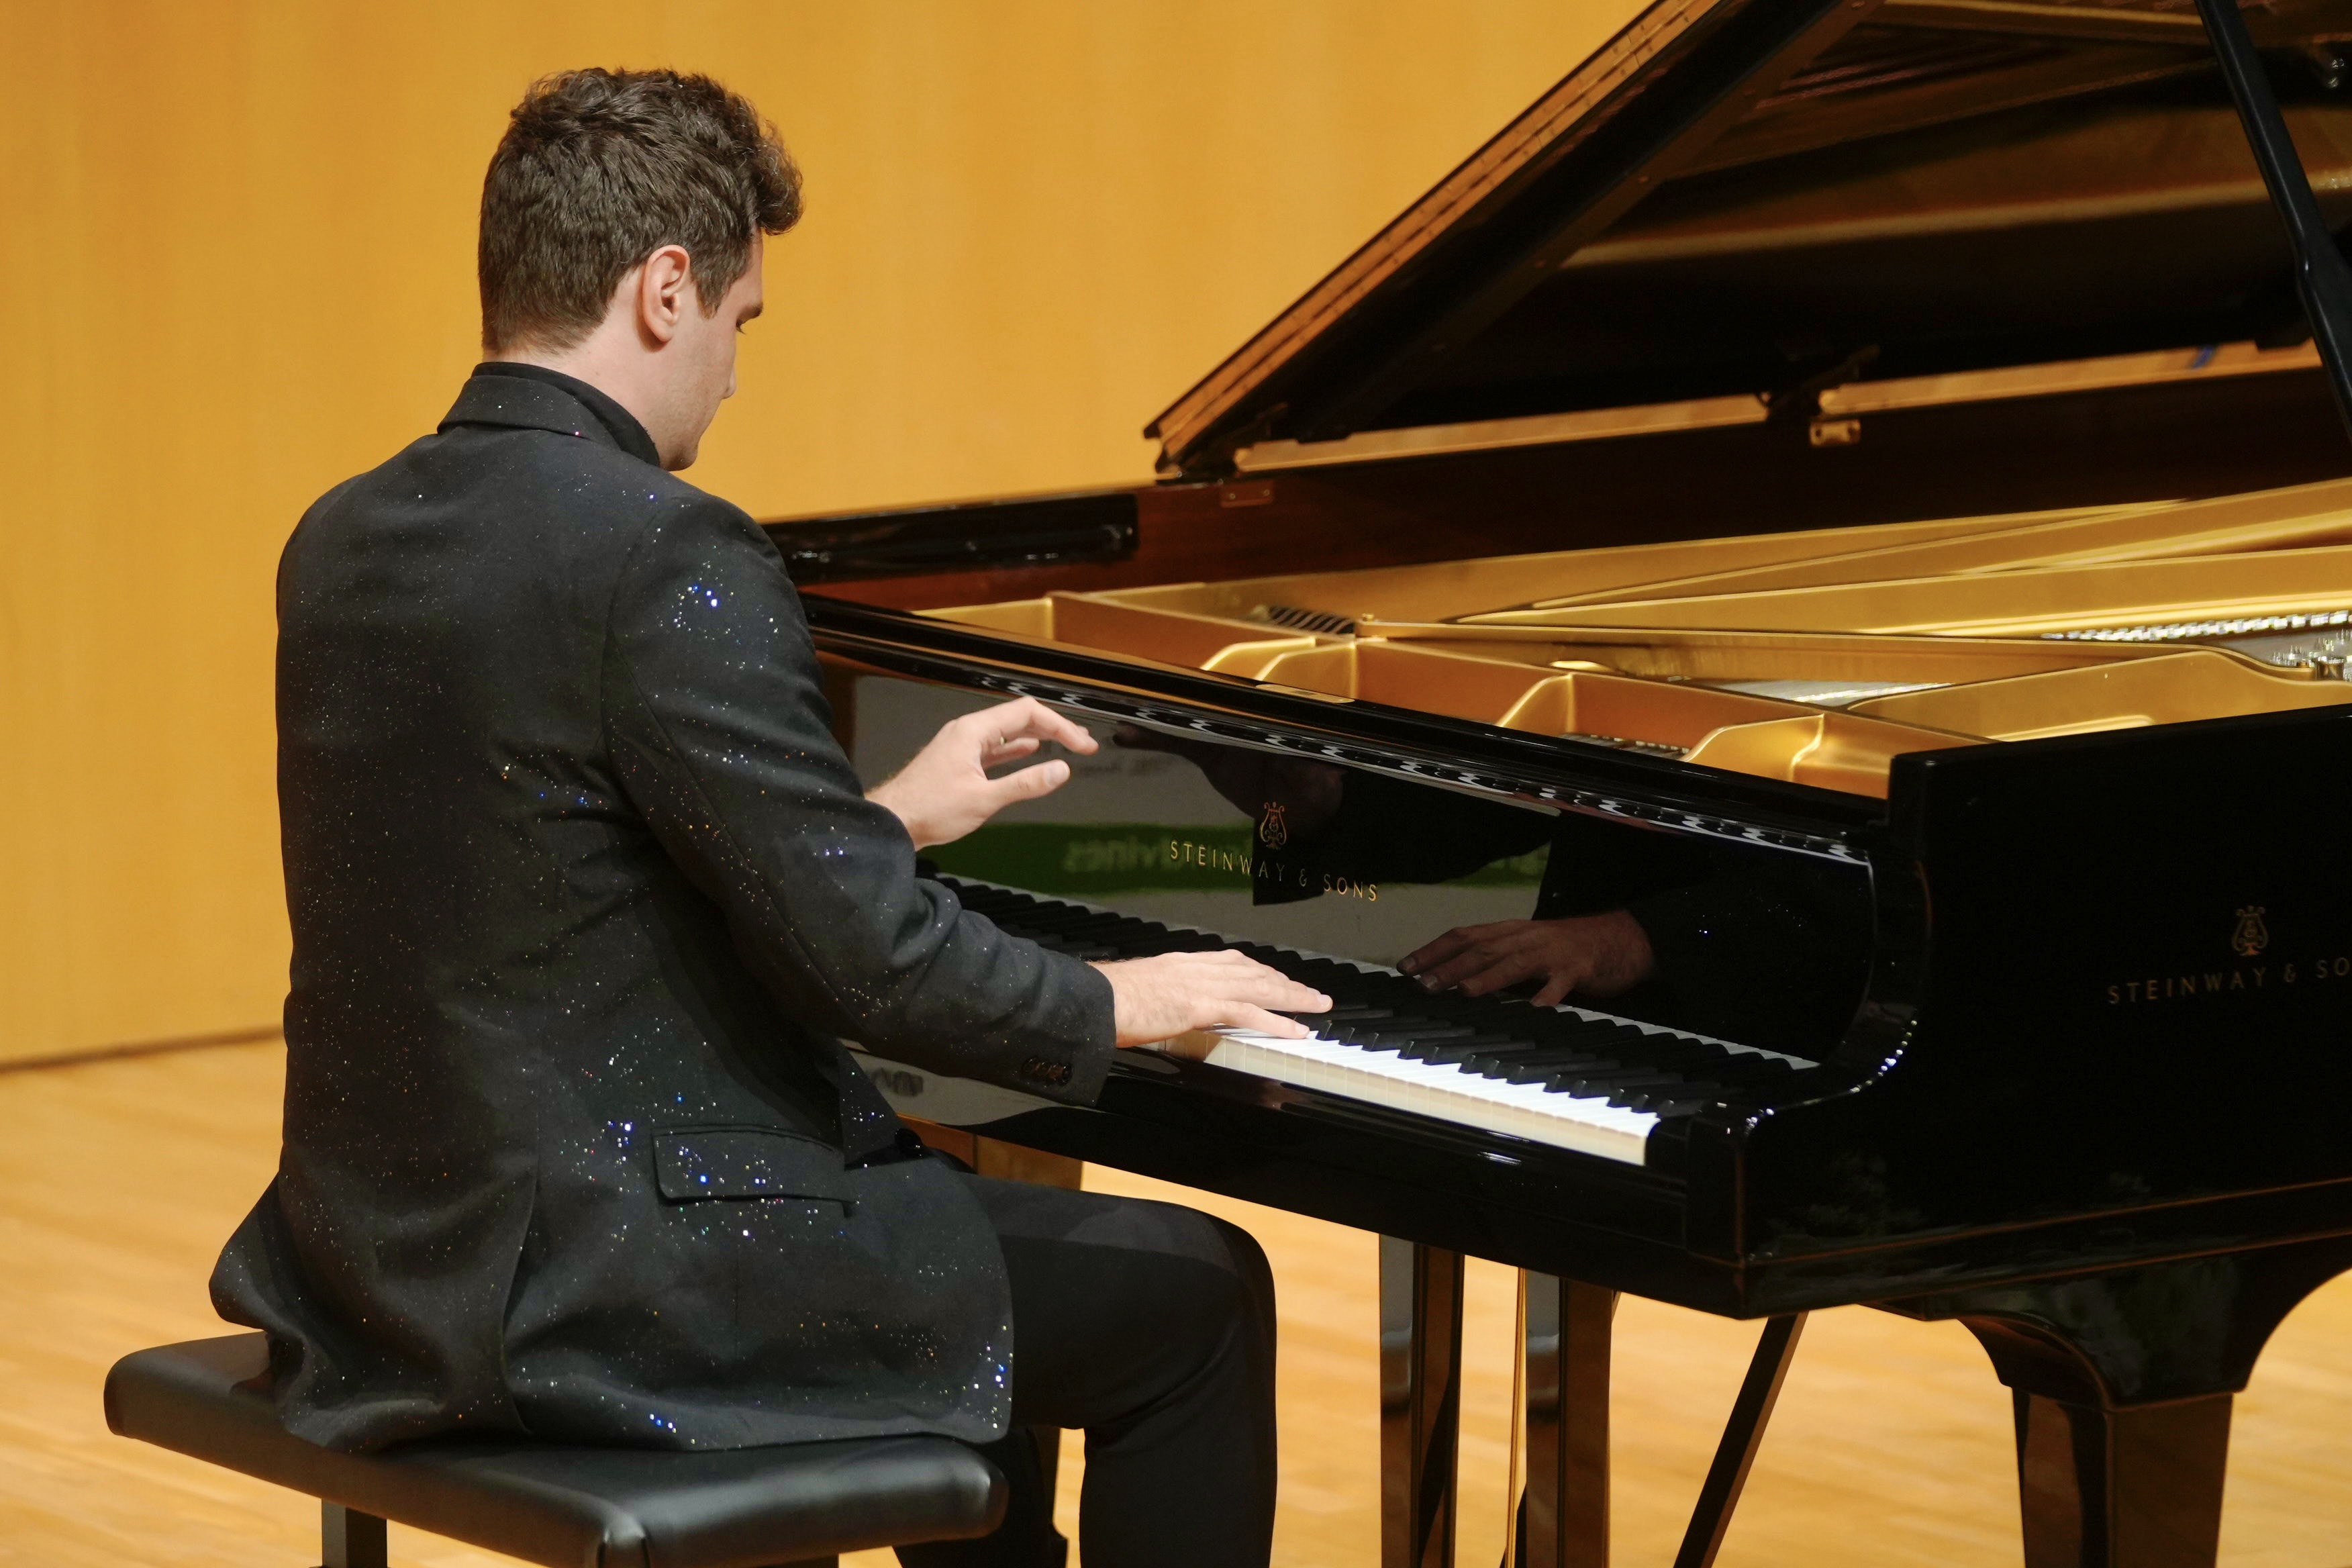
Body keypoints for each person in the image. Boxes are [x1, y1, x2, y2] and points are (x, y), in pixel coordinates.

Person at [210, 67, 1326, 1568]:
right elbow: (870, 965)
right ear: (665, 289)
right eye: (741, 321)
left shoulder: (344, 531)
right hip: (611, 1283)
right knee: (1198, 1294)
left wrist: (880, 822)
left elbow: (548, 876)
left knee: (955, 1252)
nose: (735, 374)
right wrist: (1122, 997)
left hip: (378, 1258)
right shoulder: (665, 548)